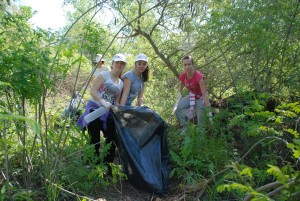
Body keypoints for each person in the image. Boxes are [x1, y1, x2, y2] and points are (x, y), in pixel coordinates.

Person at [77, 53, 126, 164]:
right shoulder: (104, 75)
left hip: (107, 112)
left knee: (112, 137)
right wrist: (102, 101)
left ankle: (107, 164)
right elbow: (93, 91)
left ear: (124, 66)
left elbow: (116, 100)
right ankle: (93, 163)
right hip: (94, 110)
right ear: (112, 63)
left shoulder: (121, 83)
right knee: (94, 139)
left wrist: (117, 108)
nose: (119, 65)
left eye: (122, 63)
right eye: (117, 62)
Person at [175, 55, 211, 131]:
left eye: (189, 64)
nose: (187, 67)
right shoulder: (183, 75)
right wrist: (179, 95)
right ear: (183, 66)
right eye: (185, 65)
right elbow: (181, 85)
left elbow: (204, 94)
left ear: (193, 64)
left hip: (201, 97)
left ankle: (201, 132)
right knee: (177, 108)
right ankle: (185, 127)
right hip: (192, 95)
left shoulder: (198, 76)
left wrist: (209, 111)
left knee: (200, 117)